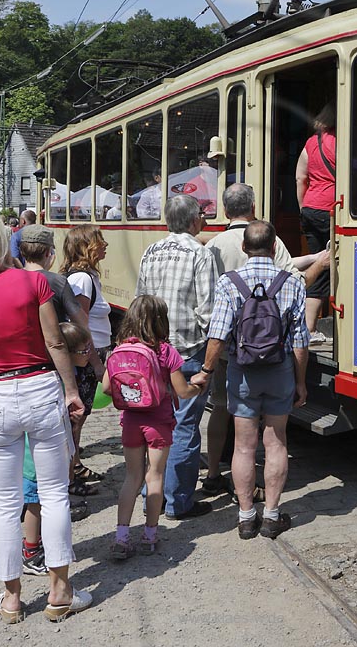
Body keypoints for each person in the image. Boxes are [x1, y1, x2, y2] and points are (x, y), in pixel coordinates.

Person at [0, 209, 92, 624]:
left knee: (5, 500)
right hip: (40, 388)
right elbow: (54, 341)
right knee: (53, 492)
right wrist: (70, 391)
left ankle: (11, 597)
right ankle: (60, 590)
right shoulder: (35, 281)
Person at [202, 182, 330, 494]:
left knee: (222, 412)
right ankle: (267, 501)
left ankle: (215, 475)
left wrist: (206, 365)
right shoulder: (272, 240)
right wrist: (319, 262)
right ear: (253, 207)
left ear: (225, 209)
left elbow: (209, 305)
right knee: (271, 433)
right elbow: (293, 279)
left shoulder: (213, 246)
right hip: (273, 355)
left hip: (230, 353)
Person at [193, 220, 309, 540]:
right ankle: (271, 515)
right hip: (280, 370)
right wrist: (300, 382)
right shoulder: (292, 282)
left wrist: (206, 369)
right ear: (274, 248)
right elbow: (300, 343)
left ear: (244, 248)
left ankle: (246, 517)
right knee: (276, 442)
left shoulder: (230, 282)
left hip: (241, 371)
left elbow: (217, 335)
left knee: (244, 447)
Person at [135, 193, 217, 520]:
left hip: (154, 352)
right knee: (184, 428)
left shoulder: (150, 252)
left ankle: (151, 493)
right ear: (194, 219)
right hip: (187, 353)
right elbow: (207, 310)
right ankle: (178, 502)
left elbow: (140, 303)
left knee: (156, 425)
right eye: (201, 215)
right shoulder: (200, 254)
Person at [102, 295, 203, 558]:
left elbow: (105, 387)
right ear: (161, 321)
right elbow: (182, 390)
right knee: (154, 476)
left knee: (132, 478)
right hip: (158, 423)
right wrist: (198, 385)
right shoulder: (166, 351)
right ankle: (149, 536)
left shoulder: (119, 350)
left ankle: (122, 538)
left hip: (131, 422)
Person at [19, 224, 95, 516]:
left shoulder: (10, 280)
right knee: (60, 438)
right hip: (56, 368)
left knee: (28, 446)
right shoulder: (57, 282)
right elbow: (81, 323)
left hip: (23, 369)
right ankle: (59, 497)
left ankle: (31, 502)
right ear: (50, 253)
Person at [61, 224, 112, 494]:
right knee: (76, 418)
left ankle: (75, 464)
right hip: (85, 359)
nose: (105, 245)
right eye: (99, 240)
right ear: (86, 246)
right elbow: (79, 326)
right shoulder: (81, 280)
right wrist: (95, 362)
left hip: (90, 355)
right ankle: (70, 477)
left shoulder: (87, 276)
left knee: (79, 418)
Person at [295, 103, 336, 344]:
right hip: (332, 209)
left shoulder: (311, 143)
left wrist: (303, 209)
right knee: (340, 266)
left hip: (310, 208)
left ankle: (309, 328)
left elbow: (301, 177)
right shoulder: (342, 140)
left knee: (320, 265)